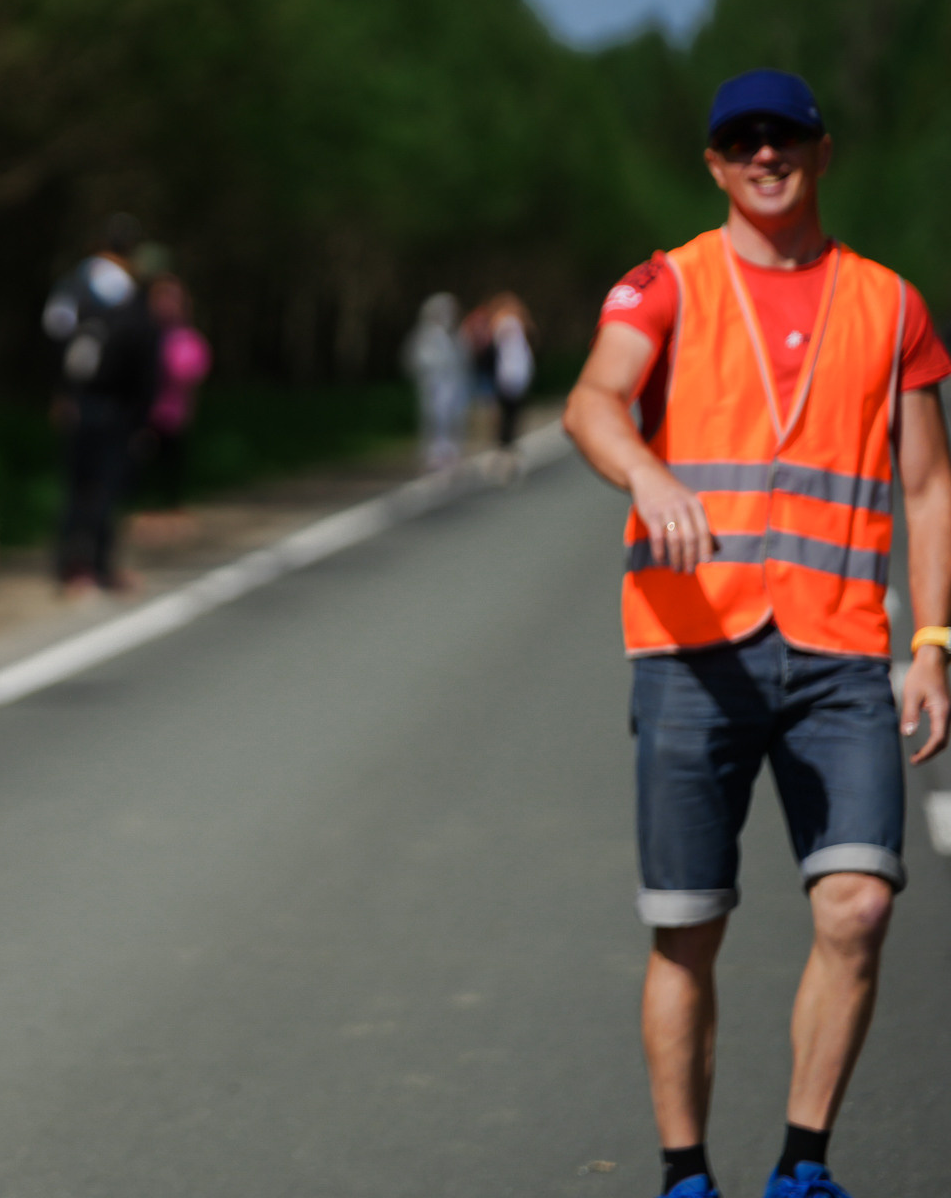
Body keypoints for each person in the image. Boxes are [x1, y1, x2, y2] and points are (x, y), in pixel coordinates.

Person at [563, 69, 951, 1198]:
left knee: (861, 903)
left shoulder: (891, 304)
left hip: (838, 655)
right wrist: (645, 466)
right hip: (693, 649)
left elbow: (926, 487)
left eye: (785, 137)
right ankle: (687, 1173)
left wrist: (931, 640)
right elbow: (593, 400)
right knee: (689, 926)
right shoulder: (666, 283)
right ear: (716, 164)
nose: (765, 155)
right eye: (743, 141)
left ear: (822, 153)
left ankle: (803, 1163)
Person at [42, 216, 159, 593]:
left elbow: (52, 336)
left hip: (76, 399)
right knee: (106, 486)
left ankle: (71, 567)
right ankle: (98, 566)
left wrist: (58, 392)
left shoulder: (73, 284)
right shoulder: (129, 293)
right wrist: (144, 411)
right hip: (116, 404)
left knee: (77, 485)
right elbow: (144, 355)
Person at [143, 273, 210, 508]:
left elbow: (191, 373)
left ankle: (171, 506)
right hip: (140, 416)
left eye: (172, 299)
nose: (166, 305)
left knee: (171, 471)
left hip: (173, 416)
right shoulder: (142, 333)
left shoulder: (187, 339)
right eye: (160, 299)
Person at [464, 291, 537, 449]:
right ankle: (505, 444)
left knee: (508, 412)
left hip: (511, 373)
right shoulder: (506, 323)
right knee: (508, 412)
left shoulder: (506, 324)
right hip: (508, 373)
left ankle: (505, 443)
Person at [404, 292, 468, 471]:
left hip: (451, 384)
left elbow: (461, 359)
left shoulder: (452, 335)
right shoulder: (426, 335)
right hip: (434, 384)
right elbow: (419, 360)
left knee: (451, 416)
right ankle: (434, 452)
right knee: (434, 417)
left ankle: (449, 450)